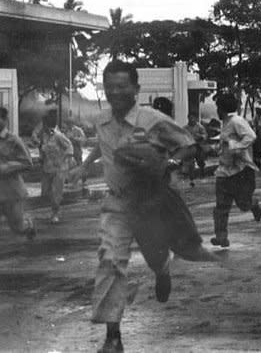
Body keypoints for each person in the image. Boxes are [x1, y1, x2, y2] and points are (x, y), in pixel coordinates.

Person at [69, 60, 197, 353]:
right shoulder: (102, 121)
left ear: (136, 89)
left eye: (122, 87)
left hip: (150, 202)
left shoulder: (152, 120)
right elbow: (104, 151)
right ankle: (113, 336)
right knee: (110, 260)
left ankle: (162, 269)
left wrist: (169, 163)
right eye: (110, 87)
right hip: (117, 203)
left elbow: (187, 144)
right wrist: (82, 167)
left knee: (154, 254)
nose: (115, 92)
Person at [211, 93, 261, 247]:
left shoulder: (237, 121)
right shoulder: (225, 123)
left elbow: (251, 137)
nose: (216, 112)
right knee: (221, 206)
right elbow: (225, 143)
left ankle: (253, 204)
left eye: (217, 108)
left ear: (222, 109)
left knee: (243, 204)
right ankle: (221, 236)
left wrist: (235, 147)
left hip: (241, 171)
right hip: (224, 171)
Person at [0, 107, 36, 241]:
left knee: (17, 228)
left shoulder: (13, 140)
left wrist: (5, 167)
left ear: (5, 120)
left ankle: (29, 226)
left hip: (11, 192)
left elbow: (28, 163)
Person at [35, 110, 74, 224]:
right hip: (47, 167)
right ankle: (53, 207)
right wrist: (41, 158)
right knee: (46, 191)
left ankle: (55, 213)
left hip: (59, 169)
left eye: (44, 123)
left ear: (47, 124)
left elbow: (69, 147)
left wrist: (63, 159)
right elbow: (42, 148)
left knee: (57, 192)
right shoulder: (44, 136)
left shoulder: (58, 135)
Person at [184, 113, 208, 186]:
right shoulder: (185, 128)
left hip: (198, 146)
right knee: (190, 163)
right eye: (190, 118)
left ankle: (202, 174)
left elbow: (205, 135)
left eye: (193, 118)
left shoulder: (200, 127)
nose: (191, 120)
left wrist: (200, 136)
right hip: (190, 147)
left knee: (200, 161)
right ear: (188, 118)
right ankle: (191, 179)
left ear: (196, 118)